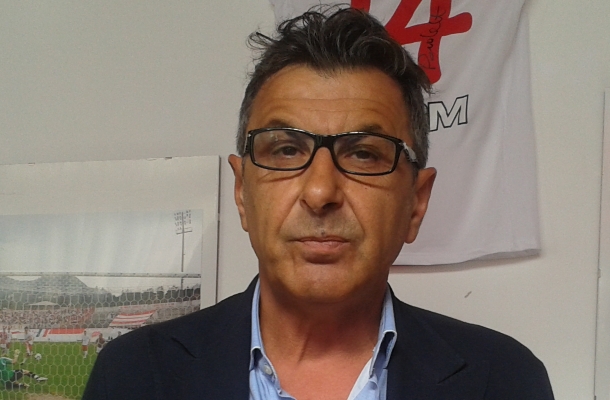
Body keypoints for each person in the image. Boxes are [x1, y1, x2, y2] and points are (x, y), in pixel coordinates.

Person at [83, 6, 554, 400]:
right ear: (243, 191)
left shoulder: (505, 380)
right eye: (286, 150)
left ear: (416, 202)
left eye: (364, 154)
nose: (320, 192)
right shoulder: (133, 376)